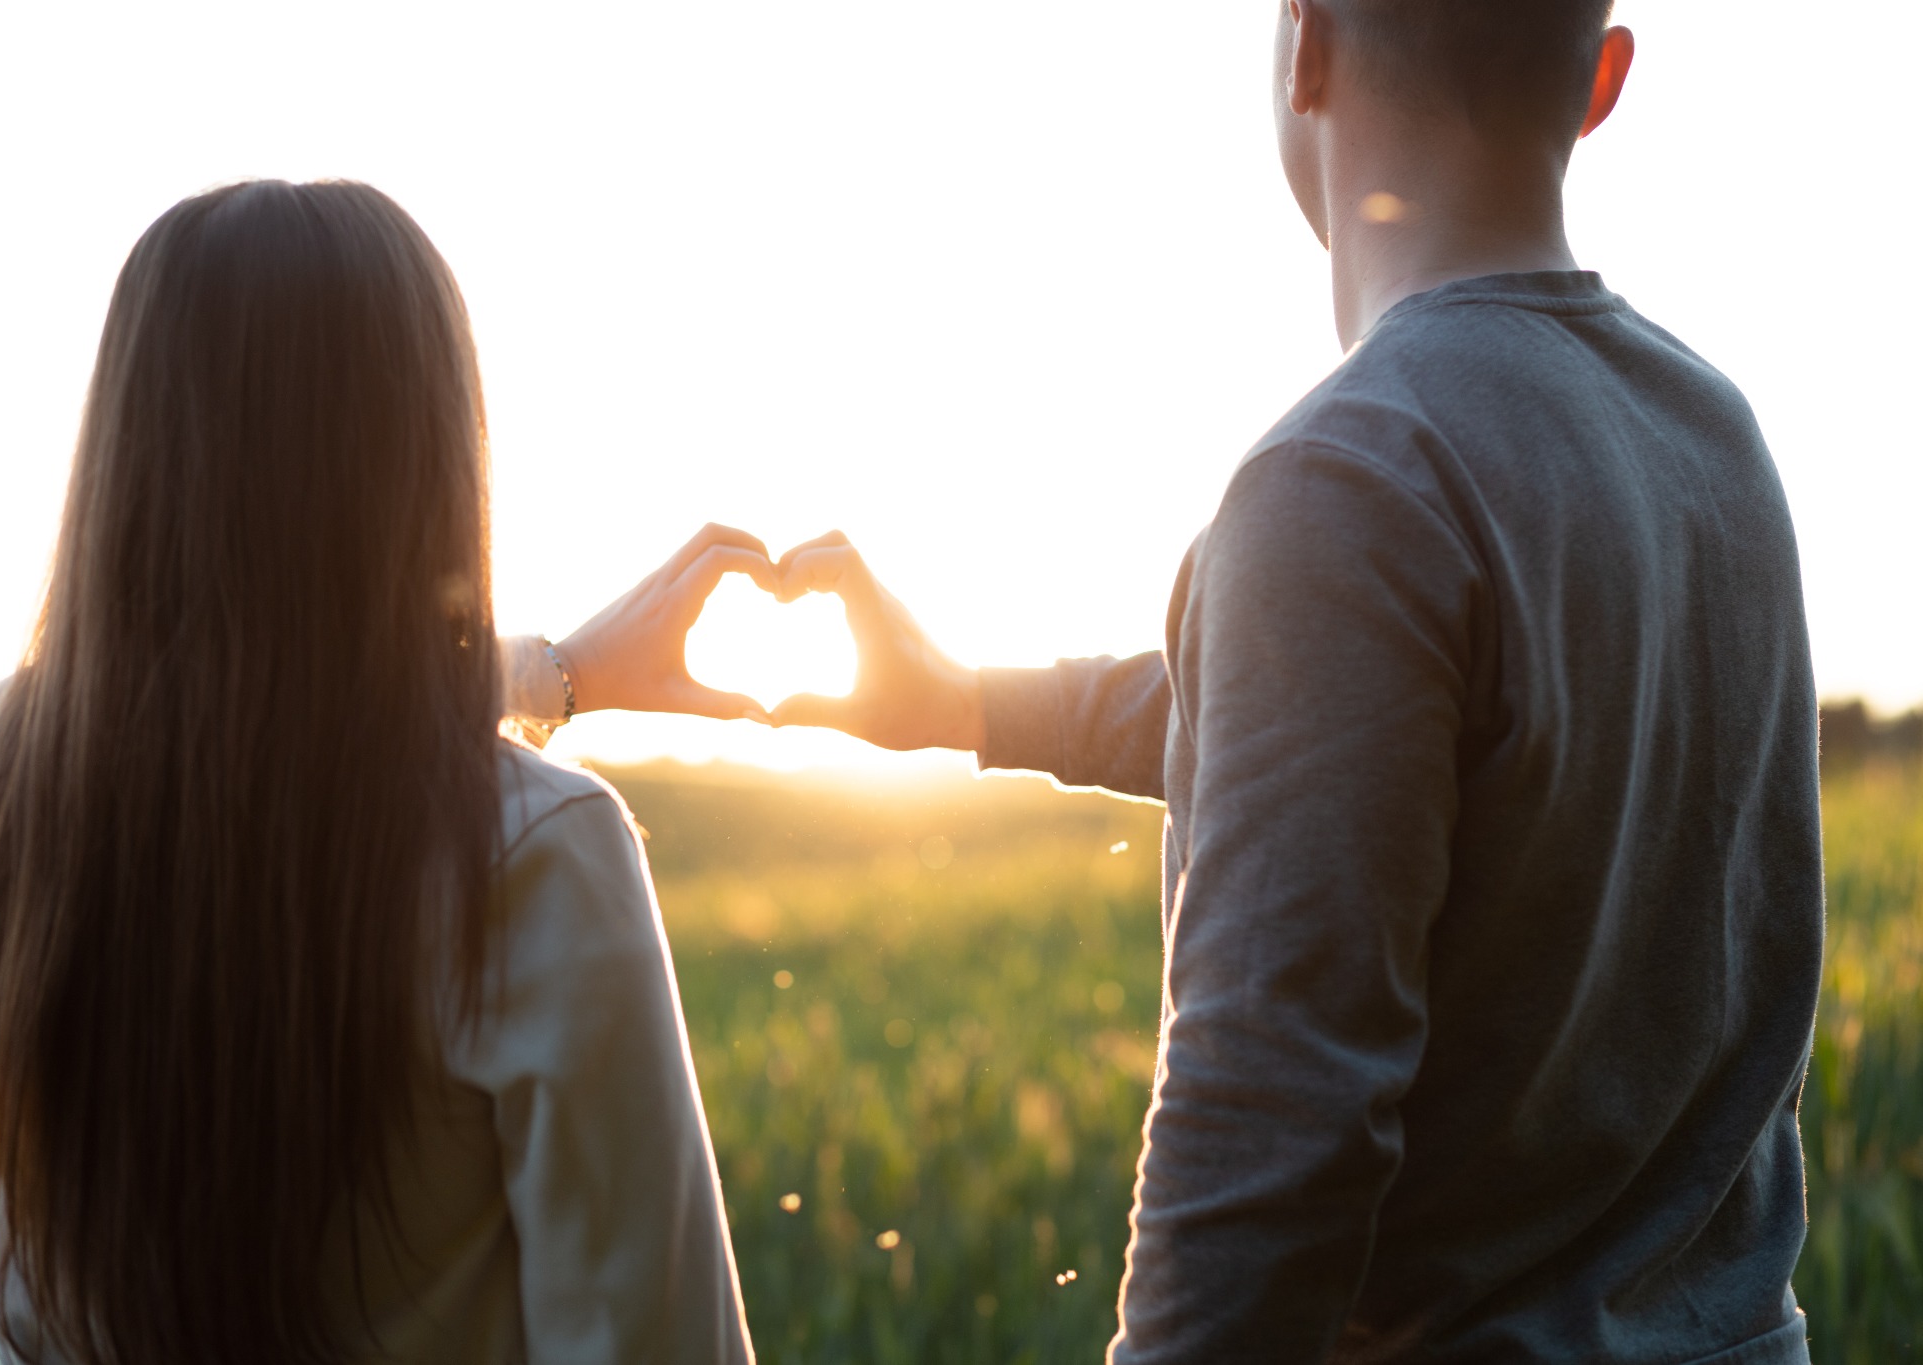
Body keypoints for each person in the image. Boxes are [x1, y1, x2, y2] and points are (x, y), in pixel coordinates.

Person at [762, 2, 1824, 1361]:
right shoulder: (1711, 437)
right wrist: (965, 703)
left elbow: (1265, 1144)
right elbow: (1384, 743)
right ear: (1603, 82)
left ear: (1308, 48)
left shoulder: (1354, 480)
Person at [0, 179, 778, 1365]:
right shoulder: (536, 855)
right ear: (429, 454)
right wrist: (546, 675)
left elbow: (239, 711)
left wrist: (557, 671)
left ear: (127, 457)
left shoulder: (4, 775)